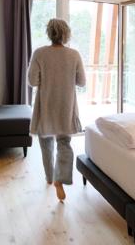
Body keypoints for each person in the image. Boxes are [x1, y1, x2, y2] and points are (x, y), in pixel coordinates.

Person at [27, 18, 86, 201]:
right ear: (66, 34)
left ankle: (50, 177)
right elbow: (82, 82)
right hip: (66, 106)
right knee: (64, 143)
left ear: (48, 33)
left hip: (46, 105)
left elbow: (32, 81)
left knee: (46, 144)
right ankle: (61, 179)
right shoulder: (74, 55)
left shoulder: (39, 53)